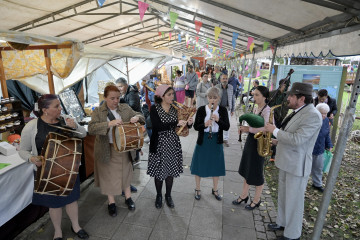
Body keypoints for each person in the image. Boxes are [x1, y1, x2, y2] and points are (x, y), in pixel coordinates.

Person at [19, 94, 89, 240]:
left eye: (59, 105)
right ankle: (58, 231)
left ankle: (76, 226)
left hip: (69, 169)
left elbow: (83, 134)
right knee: (54, 204)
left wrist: (75, 126)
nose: (60, 108)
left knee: (71, 200)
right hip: (46, 172)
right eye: (56, 106)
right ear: (45, 110)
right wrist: (31, 158)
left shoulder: (66, 120)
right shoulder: (32, 126)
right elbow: (23, 150)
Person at [264, 82, 322, 240]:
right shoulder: (298, 111)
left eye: (291, 96)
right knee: (283, 196)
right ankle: (281, 222)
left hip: (297, 166)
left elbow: (298, 139)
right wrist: (277, 141)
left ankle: (292, 234)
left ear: (302, 98)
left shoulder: (313, 115)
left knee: (294, 202)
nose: (287, 98)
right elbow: (290, 134)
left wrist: (274, 131)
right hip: (286, 161)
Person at [88, 85, 145, 215]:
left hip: (123, 147)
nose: (116, 101)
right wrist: (108, 124)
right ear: (105, 98)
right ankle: (111, 202)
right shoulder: (98, 111)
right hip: (106, 148)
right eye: (112, 98)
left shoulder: (124, 108)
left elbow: (140, 115)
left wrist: (137, 118)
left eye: (118, 98)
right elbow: (91, 128)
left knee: (126, 173)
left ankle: (128, 197)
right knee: (109, 177)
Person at [147, 85, 193, 209]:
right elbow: (157, 126)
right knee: (159, 172)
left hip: (172, 144)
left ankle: (168, 195)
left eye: (173, 94)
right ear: (161, 96)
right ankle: (158, 195)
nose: (172, 96)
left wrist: (188, 123)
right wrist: (175, 123)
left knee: (170, 172)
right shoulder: (154, 109)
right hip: (159, 144)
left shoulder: (175, 109)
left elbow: (182, 127)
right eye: (169, 94)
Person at [232, 86, 271, 210]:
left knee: (257, 172)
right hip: (251, 140)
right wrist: (246, 130)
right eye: (254, 95)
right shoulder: (256, 107)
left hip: (260, 143)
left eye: (257, 95)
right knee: (247, 169)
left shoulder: (267, 110)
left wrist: (249, 129)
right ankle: (244, 195)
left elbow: (267, 128)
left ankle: (256, 199)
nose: (254, 97)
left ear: (264, 97)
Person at [191, 87, 230, 201]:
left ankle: (215, 189)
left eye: (215, 98)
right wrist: (204, 124)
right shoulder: (201, 110)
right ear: (207, 98)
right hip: (203, 139)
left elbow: (226, 126)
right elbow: (196, 127)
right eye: (210, 97)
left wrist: (218, 120)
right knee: (199, 165)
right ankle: (198, 189)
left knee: (216, 166)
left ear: (219, 98)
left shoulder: (222, 110)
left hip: (216, 139)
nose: (212, 100)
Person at [115, 77, 141, 190]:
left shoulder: (132, 94)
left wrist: (120, 103)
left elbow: (132, 108)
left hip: (131, 126)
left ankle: (127, 185)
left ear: (126, 85)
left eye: (120, 86)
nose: (119, 89)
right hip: (123, 129)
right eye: (117, 87)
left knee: (129, 157)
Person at [311, 103, 333, 192]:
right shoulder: (312, 120)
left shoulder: (326, 120)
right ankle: (301, 185)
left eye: (325, 113)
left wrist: (329, 145)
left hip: (320, 148)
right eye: (322, 113)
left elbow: (327, 134)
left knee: (318, 167)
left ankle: (317, 184)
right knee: (306, 169)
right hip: (310, 148)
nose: (323, 115)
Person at [215, 73, 234, 147]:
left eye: (226, 78)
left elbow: (232, 98)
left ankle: (225, 139)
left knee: (226, 124)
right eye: (223, 78)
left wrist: (232, 109)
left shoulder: (231, 87)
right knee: (217, 123)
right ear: (220, 79)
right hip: (218, 108)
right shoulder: (217, 87)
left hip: (227, 108)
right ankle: (218, 138)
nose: (225, 80)